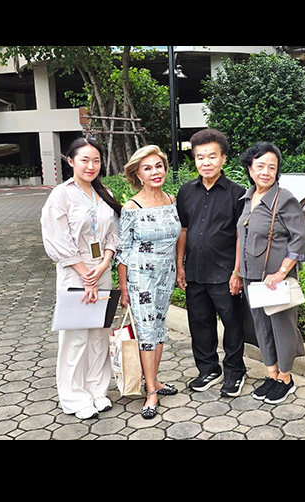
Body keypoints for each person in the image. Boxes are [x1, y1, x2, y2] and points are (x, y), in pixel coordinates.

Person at [41, 137, 122, 420]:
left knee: (99, 334)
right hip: (75, 273)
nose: (91, 166)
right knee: (75, 337)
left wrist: (105, 264)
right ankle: (74, 397)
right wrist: (85, 273)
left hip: (101, 271)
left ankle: (97, 390)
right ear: (71, 161)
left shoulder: (104, 192)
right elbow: (56, 237)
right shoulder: (61, 195)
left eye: (96, 160)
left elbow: (113, 234)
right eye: (84, 160)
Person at [176, 129, 247, 397]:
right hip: (194, 271)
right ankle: (208, 370)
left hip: (224, 273)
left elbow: (241, 235)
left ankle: (235, 372)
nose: (206, 162)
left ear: (223, 158)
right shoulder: (186, 191)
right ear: (194, 160)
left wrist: (237, 271)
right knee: (199, 323)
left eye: (212, 156)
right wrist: (180, 266)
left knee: (232, 324)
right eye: (200, 157)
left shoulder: (237, 193)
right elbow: (183, 230)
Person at [237, 142, 305, 404]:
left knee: (281, 327)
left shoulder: (284, 199)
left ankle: (286, 378)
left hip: (275, 278)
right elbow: (242, 236)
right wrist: (238, 272)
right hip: (251, 276)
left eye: (272, 167)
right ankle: (271, 374)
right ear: (250, 169)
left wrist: (281, 273)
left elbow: (299, 240)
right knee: (261, 326)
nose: (265, 172)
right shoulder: (247, 198)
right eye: (260, 166)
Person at [116, 145, 180, 419]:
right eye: (148, 168)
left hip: (166, 275)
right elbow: (123, 250)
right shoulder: (132, 207)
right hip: (140, 277)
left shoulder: (171, 200)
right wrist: (123, 288)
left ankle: (153, 379)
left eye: (159, 166)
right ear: (138, 174)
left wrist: (179, 268)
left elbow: (179, 236)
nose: (155, 172)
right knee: (145, 331)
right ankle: (151, 391)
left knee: (159, 328)